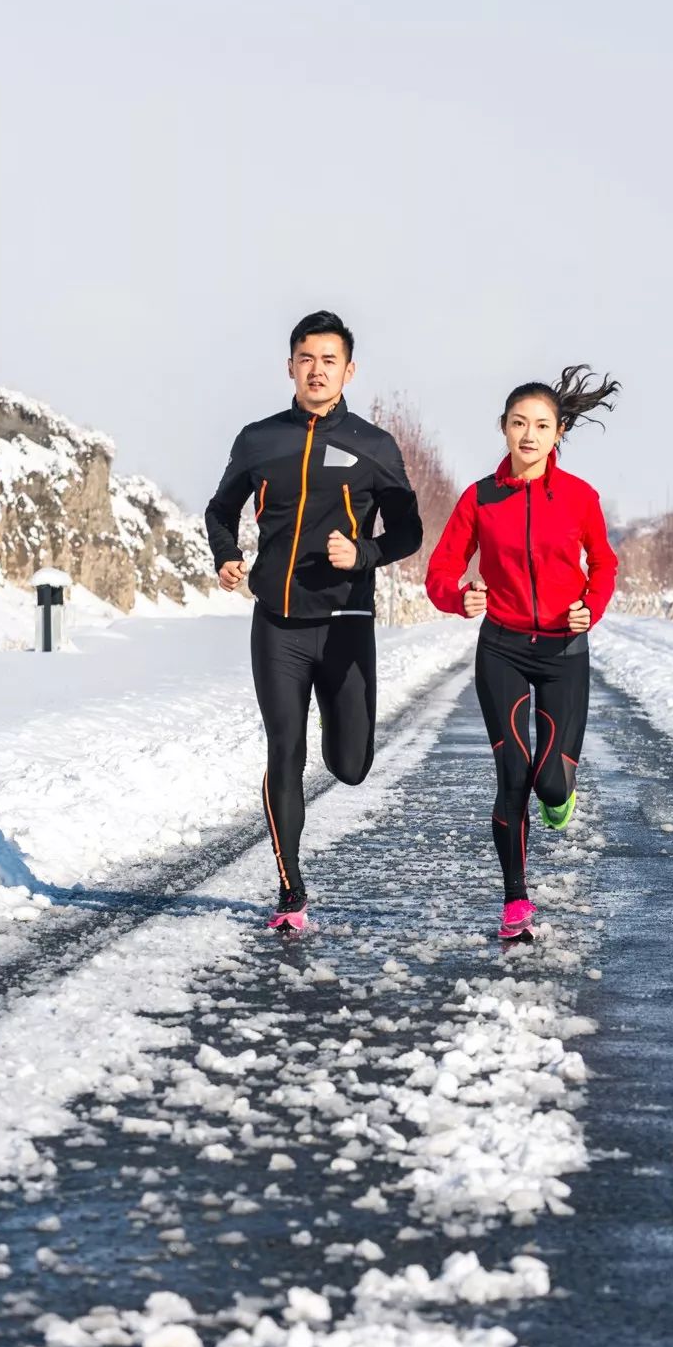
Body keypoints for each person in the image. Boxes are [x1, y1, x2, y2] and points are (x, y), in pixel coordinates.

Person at [205, 311, 423, 931]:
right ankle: (289, 891)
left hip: (348, 619)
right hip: (277, 620)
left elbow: (408, 530)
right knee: (284, 748)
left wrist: (367, 553)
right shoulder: (259, 439)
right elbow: (219, 510)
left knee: (350, 765)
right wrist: (227, 556)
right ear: (291, 365)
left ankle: (339, 732)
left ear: (348, 370)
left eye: (330, 359)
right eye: (307, 357)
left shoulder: (374, 445)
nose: (317, 369)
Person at [425, 365, 619, 939]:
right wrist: (460, 597)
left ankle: (560, 799)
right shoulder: (480, 498)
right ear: (503, 429)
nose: (528, 435)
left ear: (559, 433)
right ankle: (515, 902)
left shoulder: (580, 498)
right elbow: (441, 569)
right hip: (502, 649)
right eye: (518, 424)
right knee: (511, 772)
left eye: (541, 425)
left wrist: (591, 605)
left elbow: (604, 564)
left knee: (550, 784)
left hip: (564, 651)